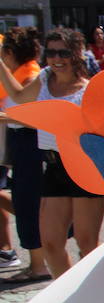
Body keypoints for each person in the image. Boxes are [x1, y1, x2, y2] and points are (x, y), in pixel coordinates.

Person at [0, 27, 104, 278]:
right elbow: (17, 95)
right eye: (51, 53)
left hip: (85, 167)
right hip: (54, 165)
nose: (56, 59)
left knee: (86, 243)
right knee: (50, 243)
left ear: (77, 54)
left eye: (63, 53)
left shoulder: (88, 89)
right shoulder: (45, 77)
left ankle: (96, 296)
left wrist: (12, 119)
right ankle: (69, 298)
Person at [1, 27, 48, 283]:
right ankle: (38, 263)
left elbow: (35, 118)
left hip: (30, 144)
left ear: (10, 52)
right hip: (23, 143)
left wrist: (6, 117)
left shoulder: (31, 76)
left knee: (29, 204)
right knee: (26, 203)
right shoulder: (26, 73)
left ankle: (39, 265)